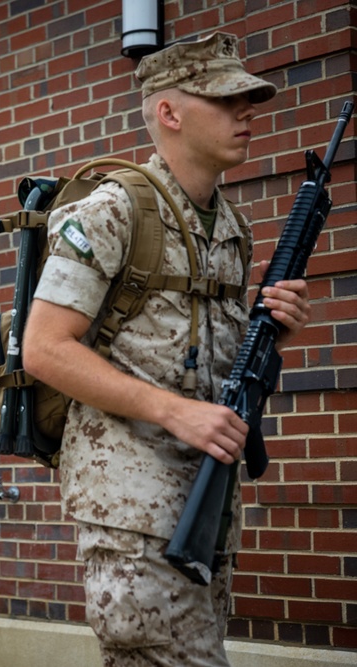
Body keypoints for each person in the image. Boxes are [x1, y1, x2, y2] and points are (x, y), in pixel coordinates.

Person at [22, 32, 311, 667]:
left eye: (249, 100)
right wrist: (173, 411)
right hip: (131, 507)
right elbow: (43, 349)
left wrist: (269, 338)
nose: (247, 113)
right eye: (226, 99)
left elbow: (208, 367)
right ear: (169, 113)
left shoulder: (232, 228)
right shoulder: (114, 210)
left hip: (206, 503)